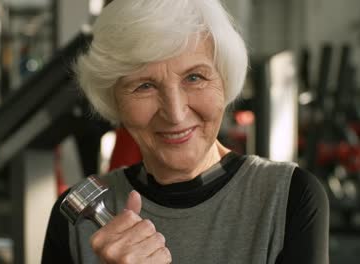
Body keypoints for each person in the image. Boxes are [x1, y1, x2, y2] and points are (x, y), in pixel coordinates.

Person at [42, 0, 329, 263]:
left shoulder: (289, 197)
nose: (176, 113)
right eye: (144, 85)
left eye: (195, 77)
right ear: (114, 100)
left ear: (225, 80)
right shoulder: (74, 224)